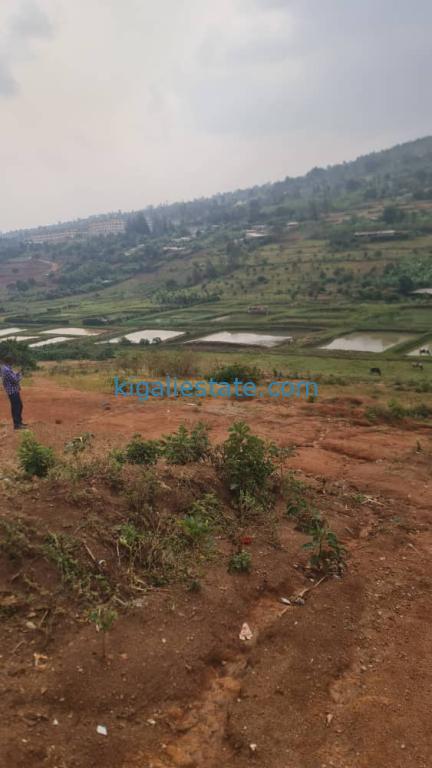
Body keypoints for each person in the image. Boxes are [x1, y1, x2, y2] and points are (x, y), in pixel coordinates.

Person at [0, 356, 27, 430]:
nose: (13, 362)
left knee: (19, 406)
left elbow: (13, 377)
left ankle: (19, 423)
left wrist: (17, 373)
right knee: (16, 407)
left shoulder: (6, 368)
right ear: (10, 361)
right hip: (13, 391)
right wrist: (20, 375)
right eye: (13, 361)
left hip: (13, 391)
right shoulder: (7, 370)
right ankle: (17, 425)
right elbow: (15, 380)